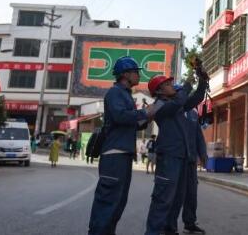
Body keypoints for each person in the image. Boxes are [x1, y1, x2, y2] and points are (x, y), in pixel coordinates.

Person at [88, 56, 155, 235]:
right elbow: (120, 116)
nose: (138, 75)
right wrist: (143, 112)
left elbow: (131, 122)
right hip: (114, 154)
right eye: (135, 72)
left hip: (123, 154)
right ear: (125, 74)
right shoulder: (115, 92)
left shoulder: (125, 94)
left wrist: (147, 117)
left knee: (118, 202)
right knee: (108, 201)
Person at [144, 64, 208, 235]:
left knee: (178, 198)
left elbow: (196, 98)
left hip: (182, 157)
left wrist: (202, 80)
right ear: (159, 91)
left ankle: (169, 230)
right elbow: (181, 100)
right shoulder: (159, 106)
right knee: (163, 198)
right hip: (169, 157)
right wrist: (189, 81)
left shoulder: (177, 105)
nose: (171, 85)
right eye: (167, 84)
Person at [167, 107, 208, 234]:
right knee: (175, 195)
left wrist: (203, 154)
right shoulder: (172, 109)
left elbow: (198, 136)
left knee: (191, 194)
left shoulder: (193, 114)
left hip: (190, 160)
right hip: (175, 159)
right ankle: (169, 227)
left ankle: (189, 223)